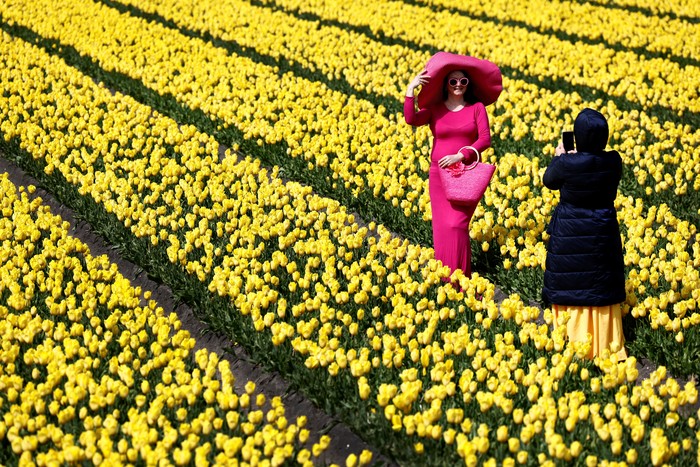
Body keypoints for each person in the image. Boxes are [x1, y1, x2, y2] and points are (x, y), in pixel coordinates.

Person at [403, 52, 502, 278]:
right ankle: (445, 282)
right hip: (439, 175)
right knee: (442, 229)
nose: (458, 85)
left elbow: (485, 139)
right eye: (453, 81)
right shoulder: (435, 108)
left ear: (468, 84)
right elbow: (411, 119)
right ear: (446, 84)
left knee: (457, 226)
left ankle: (461, 280)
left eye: (463, 81)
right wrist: (411, 90)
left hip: (463, 174)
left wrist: (461, 155)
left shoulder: (476, 108)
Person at [543, 108, 627, 360]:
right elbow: (593, 166)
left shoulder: (567, 163)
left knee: (571, 280)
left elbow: (549, 180)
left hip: (571, 229)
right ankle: (604, 342)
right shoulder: (613, 161)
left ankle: (571, 339)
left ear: (577, 136)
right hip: (602, 230)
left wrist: (560, 157)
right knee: (599, 282)